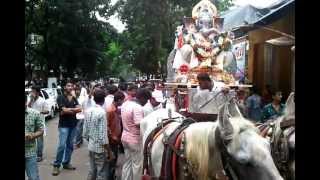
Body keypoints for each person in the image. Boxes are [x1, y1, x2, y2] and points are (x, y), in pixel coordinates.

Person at [83, 88, 114, 180]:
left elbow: (85, 132)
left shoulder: (88, 111)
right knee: (101, 173)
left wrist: (91, 140)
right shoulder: (102, 113)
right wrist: (109, 151)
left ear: (94, 99)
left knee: (92, 170)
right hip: (100, 149)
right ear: (103, 100)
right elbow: (103, 137)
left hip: (91, 146)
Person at [121, 88, 151, 180]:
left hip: (125, 137)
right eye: (146, 100)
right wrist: (147, 122)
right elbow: (139, 123)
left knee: (127, 163)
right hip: (134, 140)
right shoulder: (137, 107)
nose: (146, 102)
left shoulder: (126, 104)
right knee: (137, 165)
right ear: (142, 98)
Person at [52, 82, 82, 176]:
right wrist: (72, 110)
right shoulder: (60, 97)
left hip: (73, 125)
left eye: (71, 86)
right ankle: (56, 165)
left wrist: (68, 110)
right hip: (64, 125)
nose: (70, 87)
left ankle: (66, 163)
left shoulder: (74, 98)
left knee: (70, 145)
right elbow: (63, 110)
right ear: (65, 87)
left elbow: (80, 109)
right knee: (61, 145)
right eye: (68, 85)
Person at [106, 91, 126, 180]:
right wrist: (112, 136)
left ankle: (112, 175)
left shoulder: (116, 109)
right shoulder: (110, 110)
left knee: (114, 160)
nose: (123, 103)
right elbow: (106, 125)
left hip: (116, 139)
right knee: (111, 161)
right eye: (122, 101)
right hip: (111, 140)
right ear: (118, 100)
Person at [28, 85, 49, 162]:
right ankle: (31, 153)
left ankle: (39, 155)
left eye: (33, 91)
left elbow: (47, 111)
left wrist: (38, 112)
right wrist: (31, 100)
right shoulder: (30, 99)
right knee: (31, 138)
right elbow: (27, 107)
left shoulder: (42, 100)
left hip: (39, 122)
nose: (31, 93)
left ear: (37, 92)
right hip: (30, 122)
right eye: (31, 91)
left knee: (40, 140)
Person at [25, 95, 44, 180]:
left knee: (33, 177)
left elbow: (41, 130)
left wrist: (32, 135)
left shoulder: (35, 113)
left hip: (30, 152)